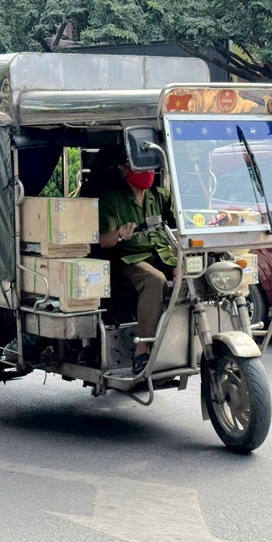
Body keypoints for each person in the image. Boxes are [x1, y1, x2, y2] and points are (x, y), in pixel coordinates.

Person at [98, 149, 176, 374]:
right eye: (142, 168)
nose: (148, 173)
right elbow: (103, 241)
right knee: (155, 280)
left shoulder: (160, 196)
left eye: (151, 168)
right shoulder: (112, 198)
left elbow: (177, 222)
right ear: (125, 169)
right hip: (130, 258)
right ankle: (142, 347)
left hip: (163, 253)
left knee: (192, 274)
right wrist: (121, 233)